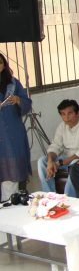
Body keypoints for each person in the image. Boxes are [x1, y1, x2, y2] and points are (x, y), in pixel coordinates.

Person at [37, 99, 79, 198]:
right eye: (63, 114)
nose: (66, 118)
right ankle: (50, 197)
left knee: (74, 164)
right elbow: (55, 146)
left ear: (78, 113)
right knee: (42, 161)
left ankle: (68, 199)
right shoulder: (62, 126)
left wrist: (60, 163)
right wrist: (50, 161)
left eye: (69, 113)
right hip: (68, 159)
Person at [0, 53, 32, 200]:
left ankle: (9, 205)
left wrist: (18, 99)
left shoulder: (13, 83)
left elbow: (27, 105)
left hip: (12, 134)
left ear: (4, 65)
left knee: (11, 176)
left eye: (0, 63)